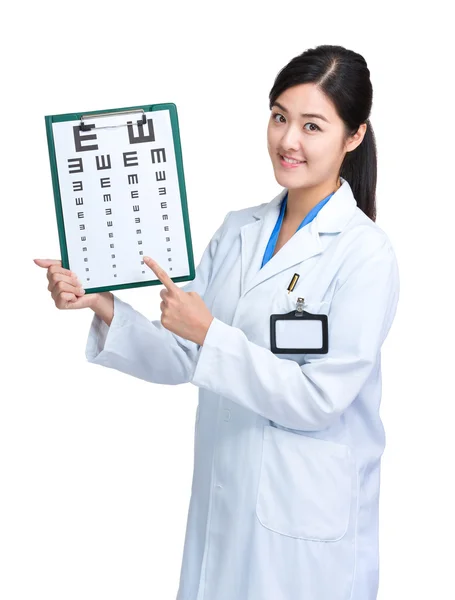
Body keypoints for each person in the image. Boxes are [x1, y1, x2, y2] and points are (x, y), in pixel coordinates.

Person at [35, 44, 400, 600]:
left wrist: (210, 334)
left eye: (312, 125)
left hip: (307, 535)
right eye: (279, 117)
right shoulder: (238, 230)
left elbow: (320, 400)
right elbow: (186, 355)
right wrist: (102, 304)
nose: (288, 141)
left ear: (353, 136)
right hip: (225, 507)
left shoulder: (365, 254)